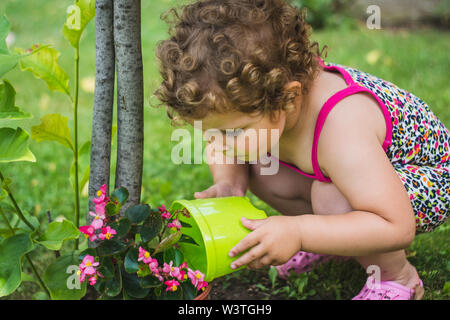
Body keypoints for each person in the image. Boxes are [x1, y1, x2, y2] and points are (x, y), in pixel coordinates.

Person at [154, 0, 449, 300]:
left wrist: (300, 232)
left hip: (423, 182)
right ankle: (335, 243)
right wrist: (229, 183)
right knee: (260, 167)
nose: (217, 144)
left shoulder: (341, 127)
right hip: (362, 179)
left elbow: (396, 225)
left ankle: (396, 277)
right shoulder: (262, 103)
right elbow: (228, 146)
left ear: (289, 96)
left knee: (329, 196)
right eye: (208, 132)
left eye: (231, 132)